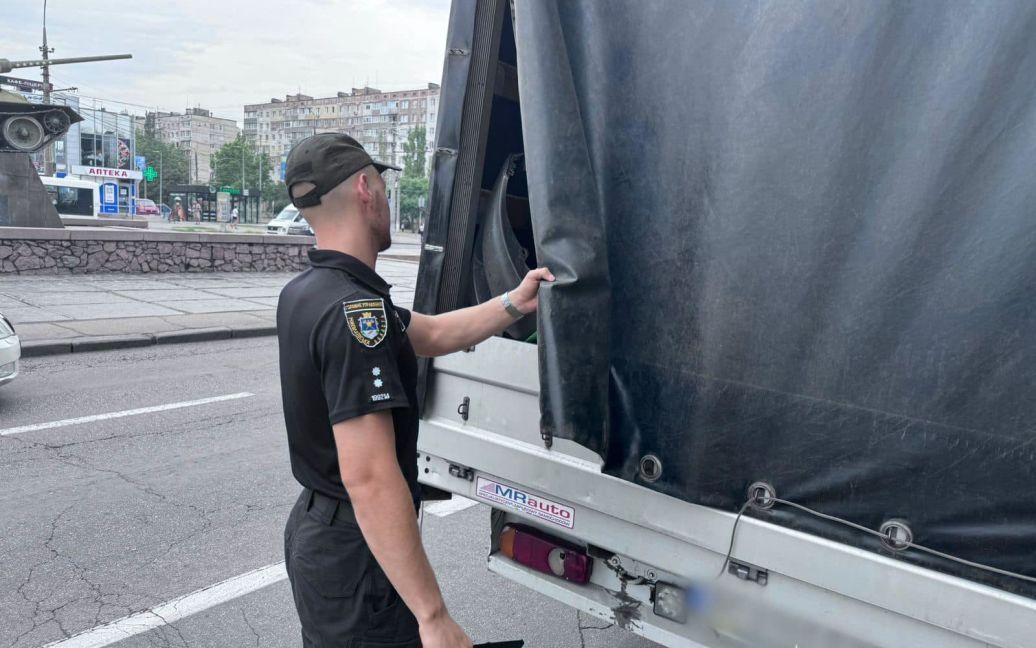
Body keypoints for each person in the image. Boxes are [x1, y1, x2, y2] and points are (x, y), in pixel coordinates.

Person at [277, 133, 554, 648]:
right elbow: (370, 478)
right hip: (355, 552)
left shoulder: (309, 293)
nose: (385, 196)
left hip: (322, 533)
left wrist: (515, 303)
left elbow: (433, 333)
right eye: (382, 184)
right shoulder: (354, 314)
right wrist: (432, 615)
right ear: (365, 188)